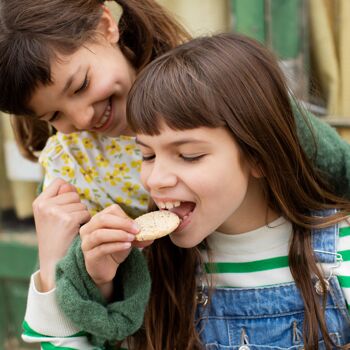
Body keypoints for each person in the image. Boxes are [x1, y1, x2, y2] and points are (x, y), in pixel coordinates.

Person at [25, 33, 350, 349]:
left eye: (189, 155)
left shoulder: (341, 255)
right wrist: (74, 276)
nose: (156, 179)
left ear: (258, 155)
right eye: (147, 155)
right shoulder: (148, 276)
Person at [0, 0, 190, 294]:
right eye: (54, 116)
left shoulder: (204, 91)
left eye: (80, 86)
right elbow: (83, 301)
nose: (82, 118)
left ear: (105, 26)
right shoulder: (71, 166)